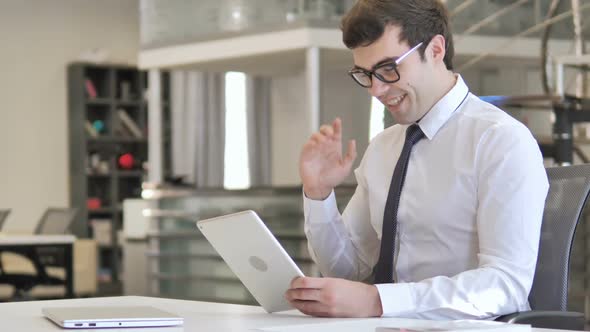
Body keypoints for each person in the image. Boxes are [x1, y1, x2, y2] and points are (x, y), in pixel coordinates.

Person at [284, 0, 549, 320]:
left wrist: (379, 302)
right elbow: (348, 271)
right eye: (366, 74)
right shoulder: (383, 148)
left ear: (436, 50)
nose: (377, 90)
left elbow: (505, 286)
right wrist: (318, 194)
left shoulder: (500, 141)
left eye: (389, 69)